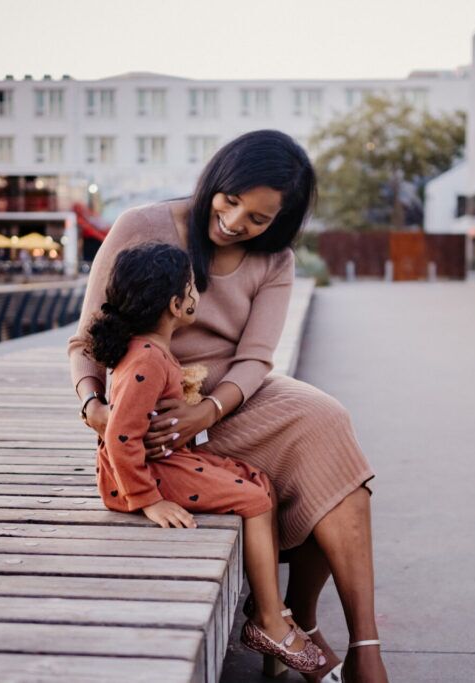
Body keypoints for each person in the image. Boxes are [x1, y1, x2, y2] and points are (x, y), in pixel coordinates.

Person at [67, 129, 388, 682]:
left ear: (278, 223)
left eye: (258, 218)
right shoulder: (141, 226)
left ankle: (359, 642)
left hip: (230, 401)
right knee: (319, 463)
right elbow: (87, 340)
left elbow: (256, 360)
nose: (237, 222)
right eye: (231, 199)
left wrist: (210, 410)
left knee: (329, 433)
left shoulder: (275, 261)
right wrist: (93, 406)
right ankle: (290, 629)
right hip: (152, 407)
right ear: (217, 179)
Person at [89, 241, 328, 673]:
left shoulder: (153, 351)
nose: (198, 295)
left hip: (163, 463)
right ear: (176, 304)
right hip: (145, 476)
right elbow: (121, 436)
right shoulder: (145, 358)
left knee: (257, 479)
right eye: (191, 288)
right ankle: (270, 623)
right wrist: (148, 499)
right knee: (254, 501)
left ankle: (267, 603)